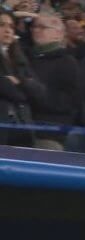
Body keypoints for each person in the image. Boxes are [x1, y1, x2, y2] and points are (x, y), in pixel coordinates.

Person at [28, 14, 81, 150]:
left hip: (49, 135)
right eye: (34, 26)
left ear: (58, 34)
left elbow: (70, 102)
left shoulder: (67, 62)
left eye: (42, 27)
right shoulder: (26, 57)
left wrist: (37, 90)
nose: (36, 30)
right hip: (23, 131)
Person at [0, 10, 45, 146]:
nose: (8, 30)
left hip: (23, 125)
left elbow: (40, 92)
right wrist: (24, 86)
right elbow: (6, 87)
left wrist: (19, 82)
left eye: (11, 26)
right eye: (2, 25)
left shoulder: (19, 56)